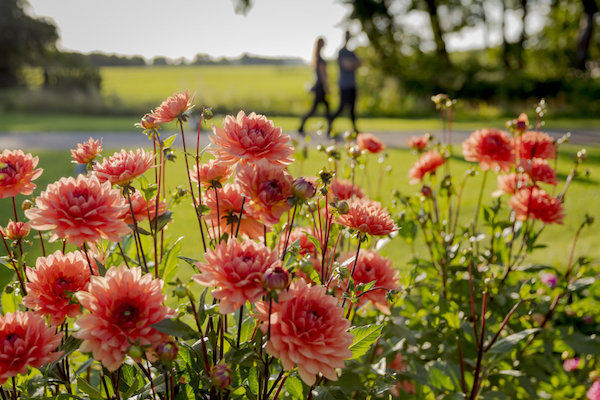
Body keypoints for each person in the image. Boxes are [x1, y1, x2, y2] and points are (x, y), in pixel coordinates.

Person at [329, 30, 361, 135]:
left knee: (352, 109)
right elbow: (347, 65)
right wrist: (353, 64)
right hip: (344, 85)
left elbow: (359, 63)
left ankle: (355, 129)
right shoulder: (341, 52)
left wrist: (353, 64)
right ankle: (330, 122)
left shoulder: (352, 52)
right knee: (342, 107)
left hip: (352, 84)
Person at [298, 37, 331, 135]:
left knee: (325, 108)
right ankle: (329, 129)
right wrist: (327, 86)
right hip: (320, 87)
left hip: (318, 86)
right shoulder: (320, 58)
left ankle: (329, 128)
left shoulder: (316, 57)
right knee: (317, 109)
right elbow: (323, 74)